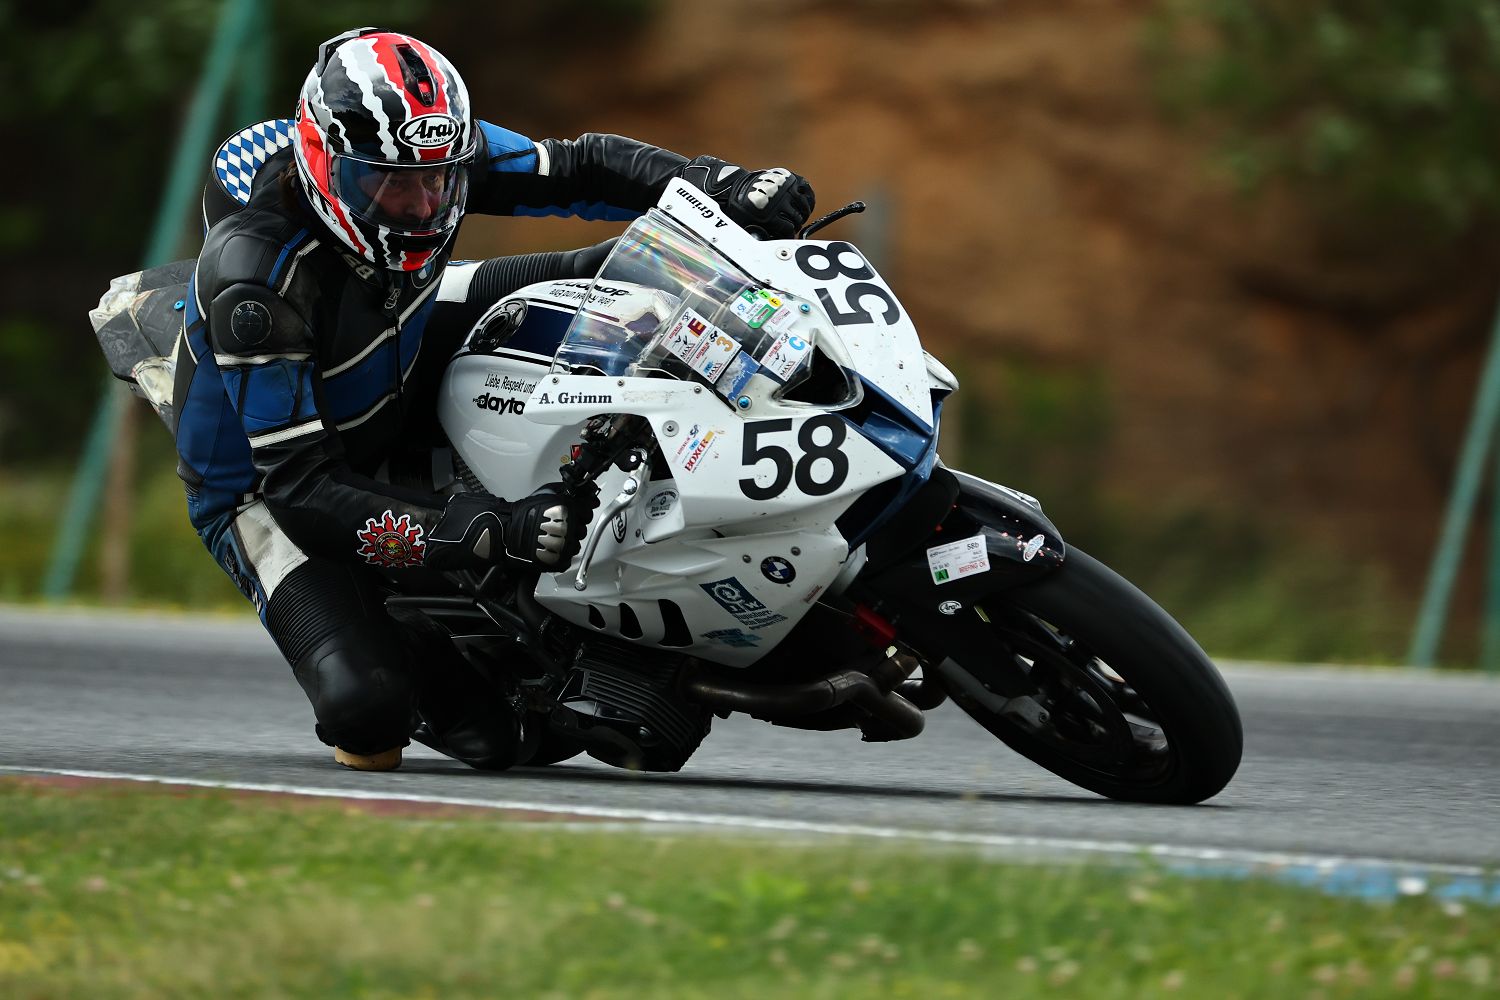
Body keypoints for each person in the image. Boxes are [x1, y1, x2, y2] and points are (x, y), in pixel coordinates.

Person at [177, 26, 816, 772]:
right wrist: (484, 529)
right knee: (379, 716)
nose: (421, 206)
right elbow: (301, 488)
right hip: (266, 485)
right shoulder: (255, 276)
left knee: (620, 272)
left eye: (438, 181)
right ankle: (406, 614)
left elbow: (580, 165)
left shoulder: (429, 156)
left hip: (401, 337)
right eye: (390, 184)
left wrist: (722, 184)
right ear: (323, 166)